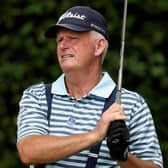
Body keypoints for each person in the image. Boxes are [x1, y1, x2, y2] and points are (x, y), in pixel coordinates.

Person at [17, 6, 163, 168]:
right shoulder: (37, 95)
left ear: (99, 47)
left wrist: (123, 157)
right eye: (59, 40)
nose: (62, 45)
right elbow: (28, 151)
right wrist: (95, 135)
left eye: (72, 38)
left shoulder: (133, 103)